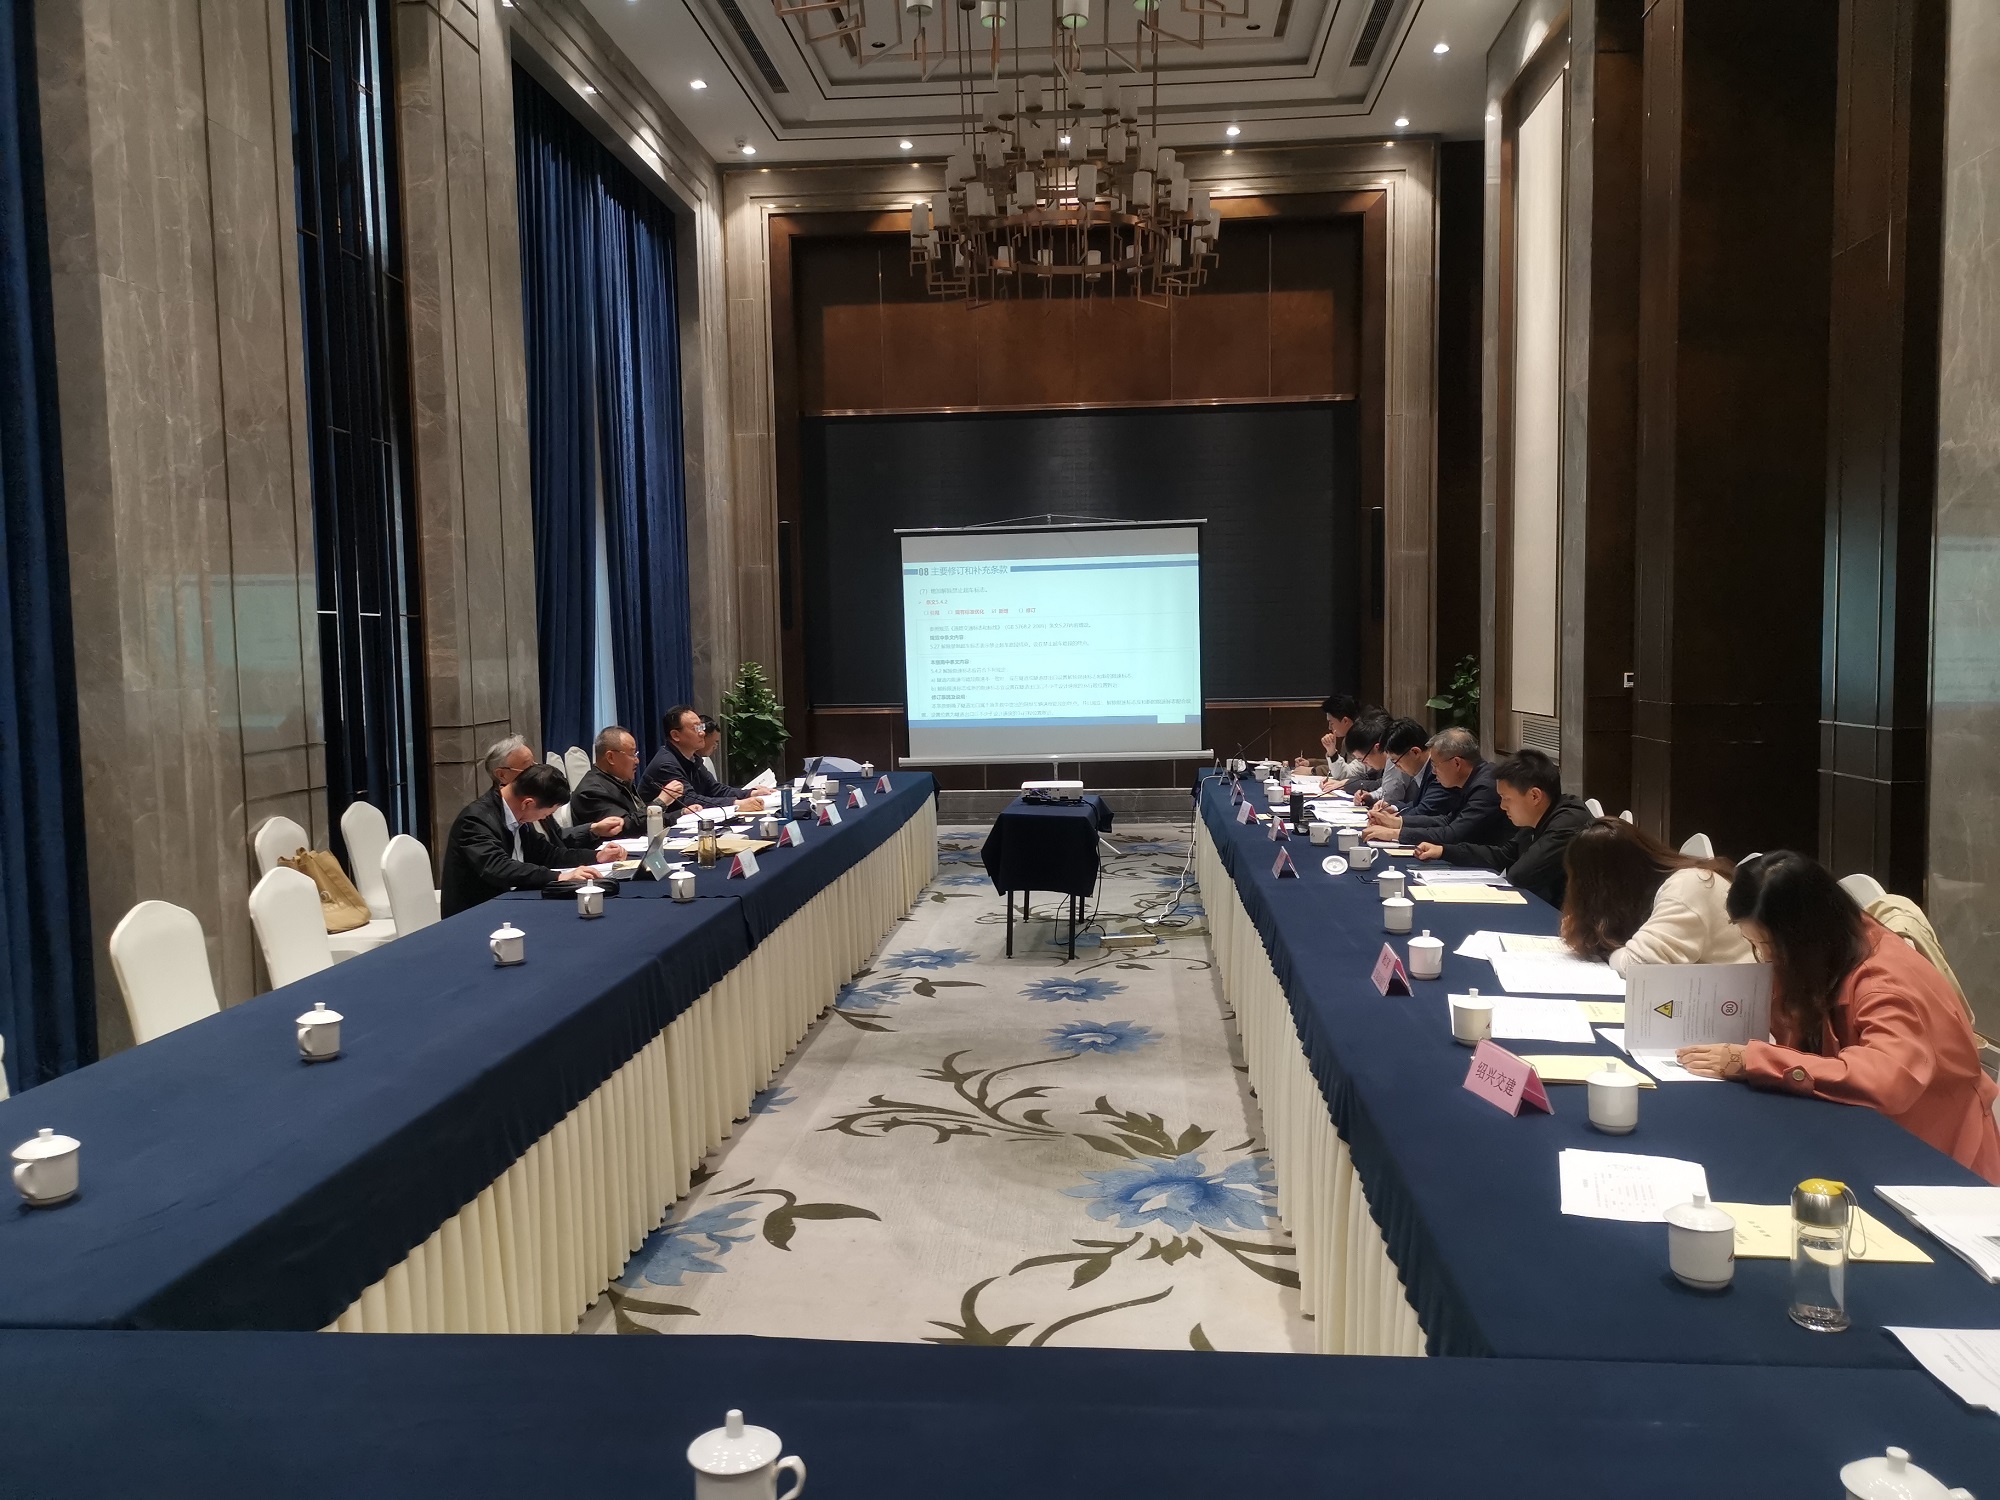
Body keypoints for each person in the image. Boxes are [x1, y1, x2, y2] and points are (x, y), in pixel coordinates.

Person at [1676, 852, 2000, 1183]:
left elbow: (1885, 1080)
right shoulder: (1830, 947)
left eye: (1771, 944)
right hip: (1863, 1134)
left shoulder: (1886, 983)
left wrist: (1753, 1060)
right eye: (1754, 944)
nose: (1766, 957)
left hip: (1935, 1160)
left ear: (1807, 932)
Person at [1558, 818, 1752, 975]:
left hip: (1739, 999)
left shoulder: (1689, 886)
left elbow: (1639, 965)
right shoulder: (1652, 888)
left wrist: (1609, 951)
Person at [440, 763, 625, 918]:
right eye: (547, 813)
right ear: (528, 803)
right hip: (477, 914)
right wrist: (559, 877)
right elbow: (498, 867)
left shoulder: (519, 816)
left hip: (513, 904)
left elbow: (549, 854)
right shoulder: (475, 820)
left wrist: (596, 856)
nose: (543, 818)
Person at [1414, 749, 1594, 907]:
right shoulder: (1539, 815)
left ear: (1535, 796)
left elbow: (1520, 876)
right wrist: (1444, 851)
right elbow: (1504, 856)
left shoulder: (1567, 824)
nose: (1502, 806)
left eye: (1506, 798)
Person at [1367, 728, 1506, 846]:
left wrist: (1395, 834)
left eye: (1435, 764)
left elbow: (1453, 834)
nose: (1433, 771)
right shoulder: (1472, 779)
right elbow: (1446, 820)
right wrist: (1396, 822)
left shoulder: (1485, 787)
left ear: (1457, 763)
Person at [484, 733, 623, 846]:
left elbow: (557, 838)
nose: (536, 771)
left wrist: (594, 830)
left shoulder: (539, 795)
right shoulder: (493, 816)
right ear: (502, 775)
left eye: (535, 764)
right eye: (528, 768)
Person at [638, 705, 765, 813]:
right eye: (696, 728)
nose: (702, 733)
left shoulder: (692, 758)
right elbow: (690, 800)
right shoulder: (666, 764)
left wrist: (750, 793)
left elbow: (715, 789)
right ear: (675, 735)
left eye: (701, 727)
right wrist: (736, 804)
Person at [570, 725, 680, 838]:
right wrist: (661, 802)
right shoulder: (592, 791)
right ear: (610, 757)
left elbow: (638, 815)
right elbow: (625, 827)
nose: (637, 760)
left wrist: (681, 814)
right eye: (632, 754)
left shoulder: (618, 780)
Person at [1360, 718, 1429, 809]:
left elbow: (1426, 809)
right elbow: (1417, 804)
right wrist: (1394, 808)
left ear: (1415, 752)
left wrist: (1396, 816)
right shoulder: (1422, 771)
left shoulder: (1435, 774)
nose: (1396, 767)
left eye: (1395, 761)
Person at [1338, 714, 1392, 796]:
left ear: (1377, 748)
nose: (1364, 763)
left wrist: (1346, 784)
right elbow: (1367, 776)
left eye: (1362, 759)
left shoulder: (1395, 762)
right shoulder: (1380, 765)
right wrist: (1344, 782)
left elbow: (1379, 785)